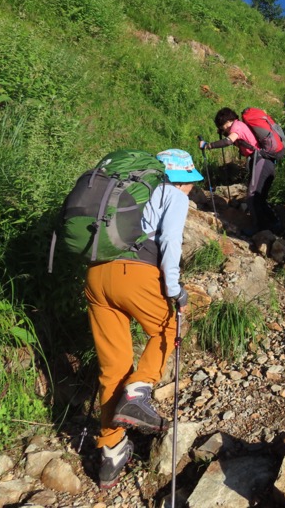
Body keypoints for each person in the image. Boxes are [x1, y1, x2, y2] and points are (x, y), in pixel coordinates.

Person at [86, 149, 201, 489]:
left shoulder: (125, 191)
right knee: (168, 327)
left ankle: (110, 448)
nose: (191, 188)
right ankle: (139, 391)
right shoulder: (172, 193)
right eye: (190, 182)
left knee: (113, 367)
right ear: (180, 178)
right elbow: (169, 241)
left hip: (95, 275)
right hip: (134, 273)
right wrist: (174, 288)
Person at [199, 107, 280, 235]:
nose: (223, 130)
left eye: (222, 127)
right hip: (266, 162)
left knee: (252, 196)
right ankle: (274, 224)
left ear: (226, 122)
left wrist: (207, 145)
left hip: (261, 161)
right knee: (260, 196)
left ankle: (259, 228)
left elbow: (228, 141)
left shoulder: (237, 126)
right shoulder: (241, 126)